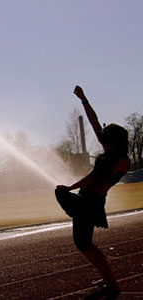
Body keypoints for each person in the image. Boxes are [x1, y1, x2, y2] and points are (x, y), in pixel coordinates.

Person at [55, 85, 130, 299]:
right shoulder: (114, 153)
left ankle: (112, 284)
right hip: (89, 200)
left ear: (111, 141)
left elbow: (92, 179)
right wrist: (84, 100)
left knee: (83, 243)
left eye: (104, 138)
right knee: (84, 242)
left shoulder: (116, 159)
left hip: (91, 201)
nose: (100, 138)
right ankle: (109, 281)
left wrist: (69, 188)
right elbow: (94, 123)